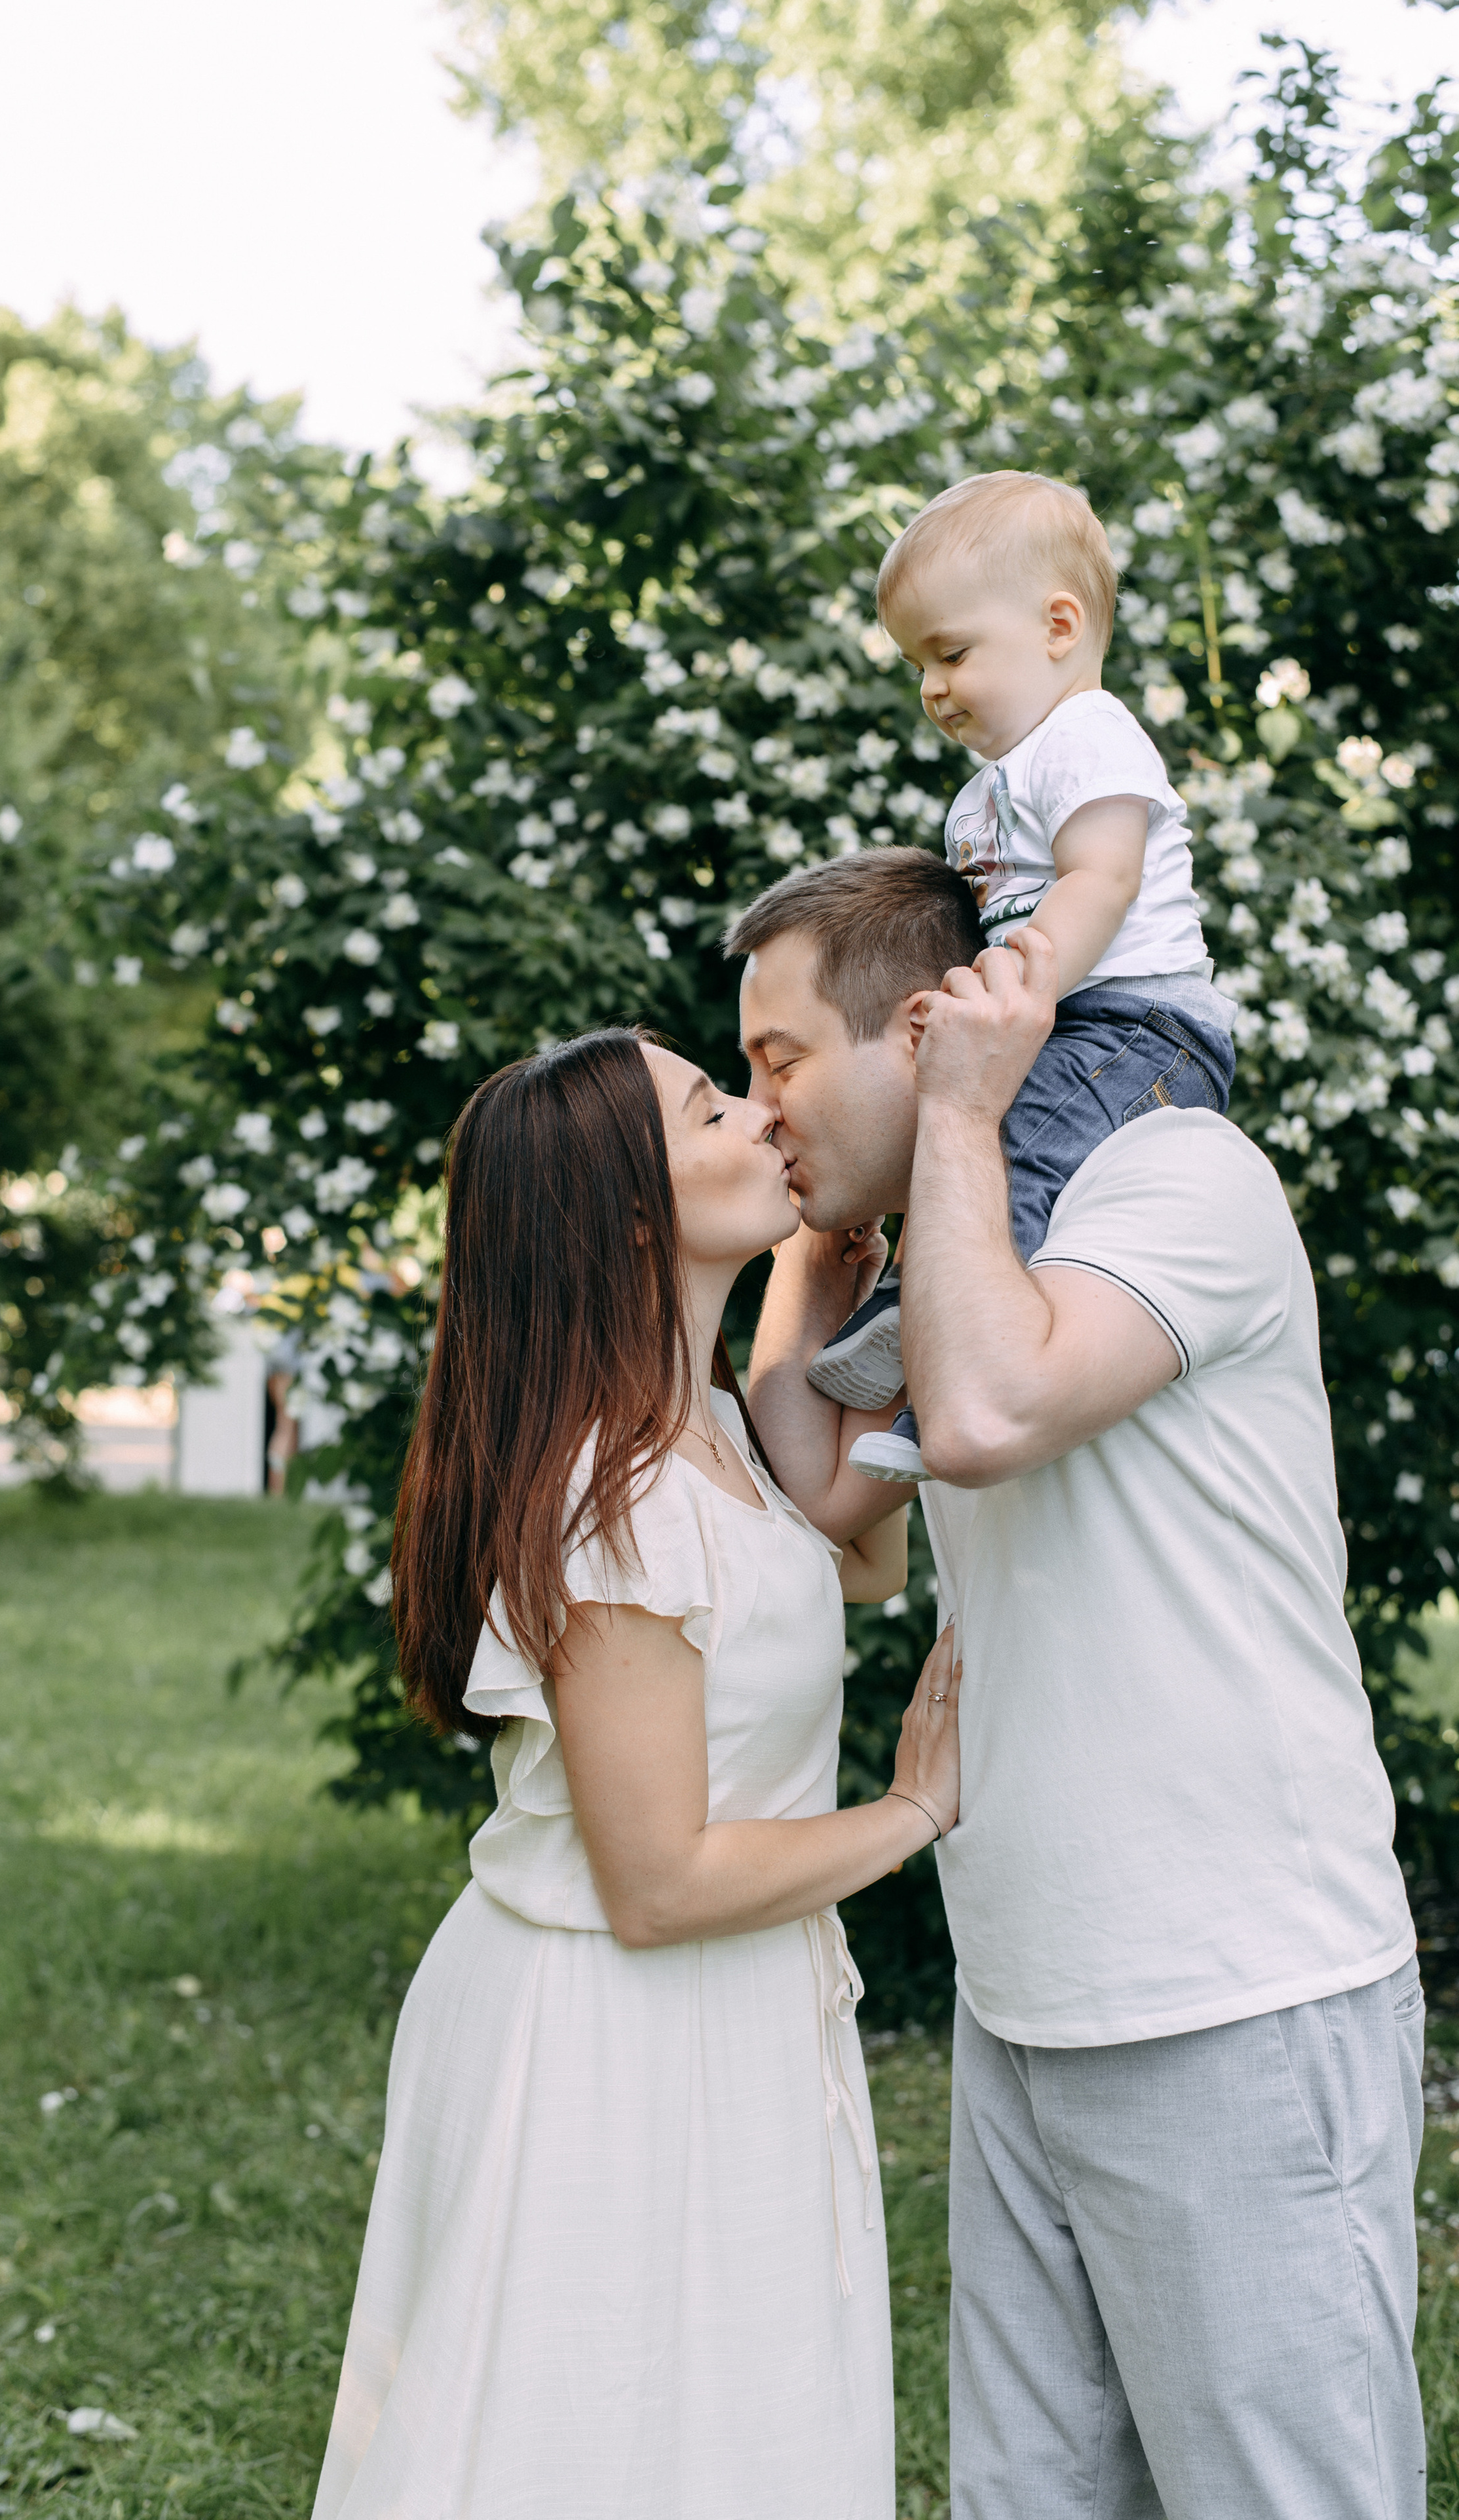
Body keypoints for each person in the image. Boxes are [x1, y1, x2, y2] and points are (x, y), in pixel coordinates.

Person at [732, 850, 1425, 2520]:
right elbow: (837, 1522)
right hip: (1024, 1983)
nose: (760, 1113)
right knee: (1029, 2495)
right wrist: (815, 1252)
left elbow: (978, 1417)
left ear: (924, 1029)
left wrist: (957, 1126)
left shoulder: (1177, 1175)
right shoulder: (958, 1243)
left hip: (1228, 1984)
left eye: (777, 1064)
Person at [309, 1026, 962, 2520]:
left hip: (726, 2005)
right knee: (588, 2437)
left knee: (728, 2424)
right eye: (712, 1104)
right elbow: (658, 1882)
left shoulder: (715, 1433)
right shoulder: (615, 1498)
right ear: (623, 1215)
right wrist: (912, 1809)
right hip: (607, 2023)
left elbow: (855, 1553)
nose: (762, 1110)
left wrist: (821, 1257)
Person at [803, 472, 1236, 1482]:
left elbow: (1105, 875)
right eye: (919, 665)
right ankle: (913, 1306)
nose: (934, 688)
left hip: (1138, 1026)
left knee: (1020, 1156)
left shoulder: (1087, 735)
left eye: (952, 653)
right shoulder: (981, 798)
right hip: (1062, 1020)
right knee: (973, 1143)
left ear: (1058, 624)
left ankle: (931, 1375)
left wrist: (1022, 985)